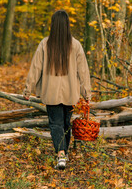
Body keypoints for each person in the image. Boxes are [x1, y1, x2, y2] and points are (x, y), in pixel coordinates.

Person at [23, 10, 91, 170]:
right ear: (67, 25)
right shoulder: (75, 45)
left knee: (56, 124)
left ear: (53, 25)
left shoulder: (45, 44)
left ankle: (61, 153)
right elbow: (83, 71)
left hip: (51, 92)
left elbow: (35, 68)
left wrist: (28, 89)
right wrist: (86, 92)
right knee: (66, 123)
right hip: (71, 93)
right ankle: (63, 153)